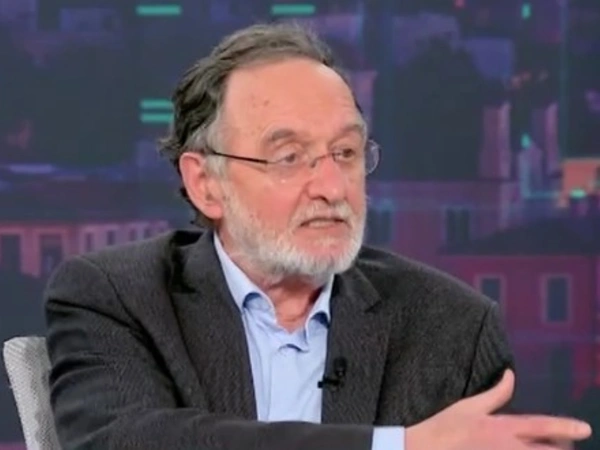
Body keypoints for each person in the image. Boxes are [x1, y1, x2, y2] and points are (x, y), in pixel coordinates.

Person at [44, 23, 591, 450]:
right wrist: (396, 447)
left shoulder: (452, 327)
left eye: (345, 153)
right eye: (290, 157)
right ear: (206, 184)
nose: (332, 187)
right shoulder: (118, 297)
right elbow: (124, 442)